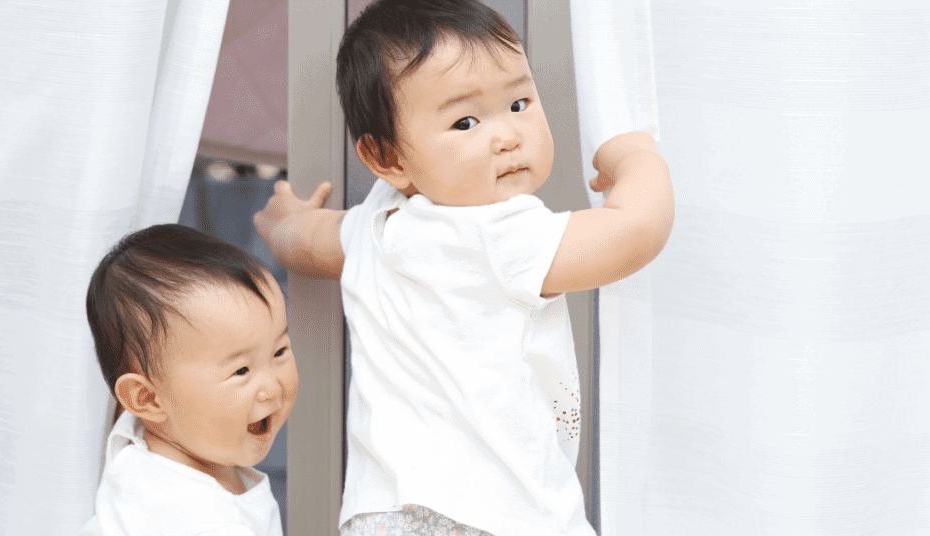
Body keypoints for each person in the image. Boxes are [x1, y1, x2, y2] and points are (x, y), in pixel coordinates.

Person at [255, 0, 674, 534]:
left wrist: (281, 220)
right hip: (496, 517)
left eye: (520, 103)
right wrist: (636, 154)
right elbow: (635, 232)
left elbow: (306, 244)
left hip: (380, 513)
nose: (507, 135)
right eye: (467, 121)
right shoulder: (503, 234)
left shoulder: (375, 226)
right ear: (389, 158)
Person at [81, 224, 297, 536]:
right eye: (241, 371)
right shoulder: (202, 521)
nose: (272, 388)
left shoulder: (142, 436)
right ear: (148, 399)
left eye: (279, 352)